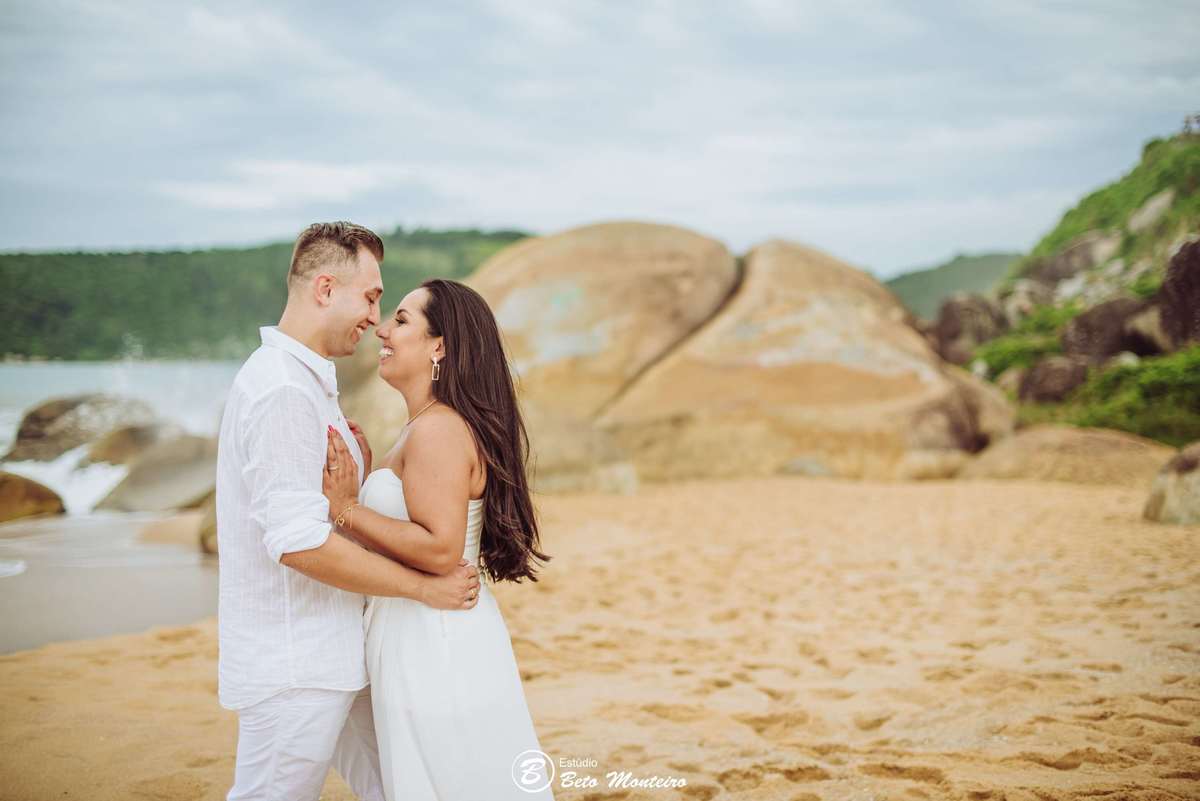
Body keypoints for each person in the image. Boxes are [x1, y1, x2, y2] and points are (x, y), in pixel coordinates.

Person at [215, 223, 482, 801]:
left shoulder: (310, 387)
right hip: (297, 664)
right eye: (371, 296)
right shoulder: (283, 389)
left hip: (341, 653)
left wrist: (358, 488)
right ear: (326, 288)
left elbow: (330, 519)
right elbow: (298, 542)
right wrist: (422, 589)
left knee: (407, 787)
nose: (375, 317)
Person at [322, 278, 555, 799]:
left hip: (434, 638)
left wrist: (347, 510)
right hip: (423, 628)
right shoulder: (427, 426)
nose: (382, 329)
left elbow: (440, 549)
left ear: (440, 347)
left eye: (401, 320)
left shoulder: (438, 430)